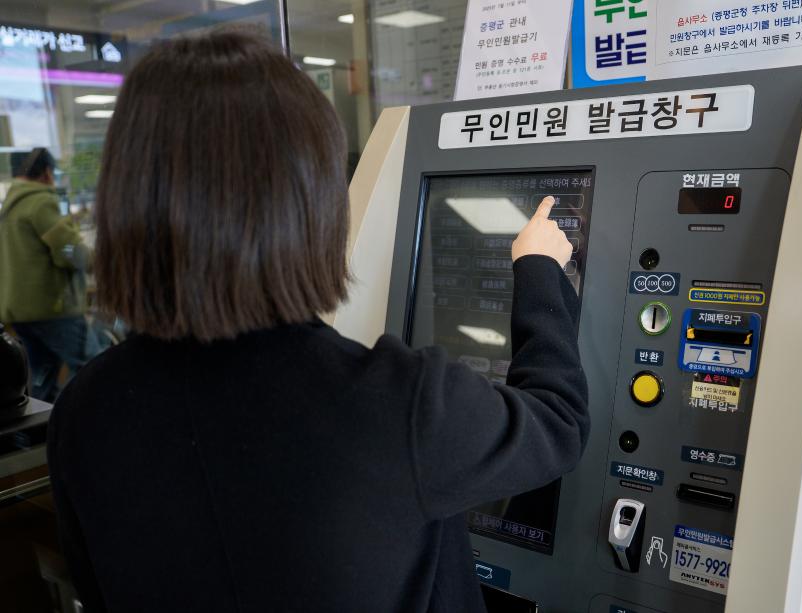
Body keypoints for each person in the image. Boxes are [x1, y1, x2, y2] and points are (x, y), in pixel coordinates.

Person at [47, 31, 589, 613]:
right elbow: (557, 421)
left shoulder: (84, 410)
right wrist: (539, 271)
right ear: (311, 203)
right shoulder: (391, 405)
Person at [0, 148, 97, 401]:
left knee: (42, 376)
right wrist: (99, 261)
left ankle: (48, 423)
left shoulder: (11, 205)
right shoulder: (42, 202)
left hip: (20, 310)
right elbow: (68, 250)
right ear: (46, 173)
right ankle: (82, 416)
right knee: (93, 366)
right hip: (51, 308)